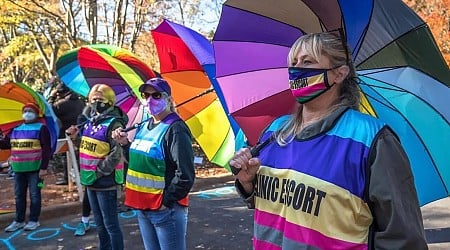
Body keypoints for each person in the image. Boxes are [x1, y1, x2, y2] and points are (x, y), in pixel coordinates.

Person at [229, 31, 428, 249]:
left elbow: (403, 237)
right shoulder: (275, 131)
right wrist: (248, 185)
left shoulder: (371, 139)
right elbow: (279, 205)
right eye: (293, 62)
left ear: (339, 74)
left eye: (307, 62)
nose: (296, 70)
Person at [111, 77, 195, 250]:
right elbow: (138, 160)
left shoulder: (176, 128)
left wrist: (165, 202)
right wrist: (125, 143)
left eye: (156, 95)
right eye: (145, 95)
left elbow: (185, 174)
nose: (149, 100)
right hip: (142, 206)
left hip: (164, 210)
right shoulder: (145, 124)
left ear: (169, 100)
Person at [66, 84, 127, 249]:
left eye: (100, 99)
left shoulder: (114, 124)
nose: (95, 103)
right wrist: (75, 138)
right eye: (92, 99)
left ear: (109, 101)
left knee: (111, 226)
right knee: (100, 225)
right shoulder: (89, 122)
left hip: (105, 182)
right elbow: (87, 148)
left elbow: (116, 153)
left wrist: (99, 171)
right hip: (90, 181)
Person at [0, 103, 52, 232]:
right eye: (25, 111)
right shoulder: (15, 129)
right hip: (18, 169)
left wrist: (44, 168)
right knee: (19, 195)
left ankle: (34, 220)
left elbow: (46, 149)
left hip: (35, 168)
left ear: (36, 113)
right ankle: (19, 220)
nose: (27, 113)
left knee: (35, 195)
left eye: (30, 111)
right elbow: (6, 144)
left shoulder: (41, 128)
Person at [48, 82, 85, 185]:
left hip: (67, 132)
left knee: (66, 156)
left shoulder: (62, 104)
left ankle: (67, 178)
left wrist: (51, 97)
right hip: (79, 133)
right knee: (78, 156)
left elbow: (49, 110)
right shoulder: (80, 102)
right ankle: (77, 177)